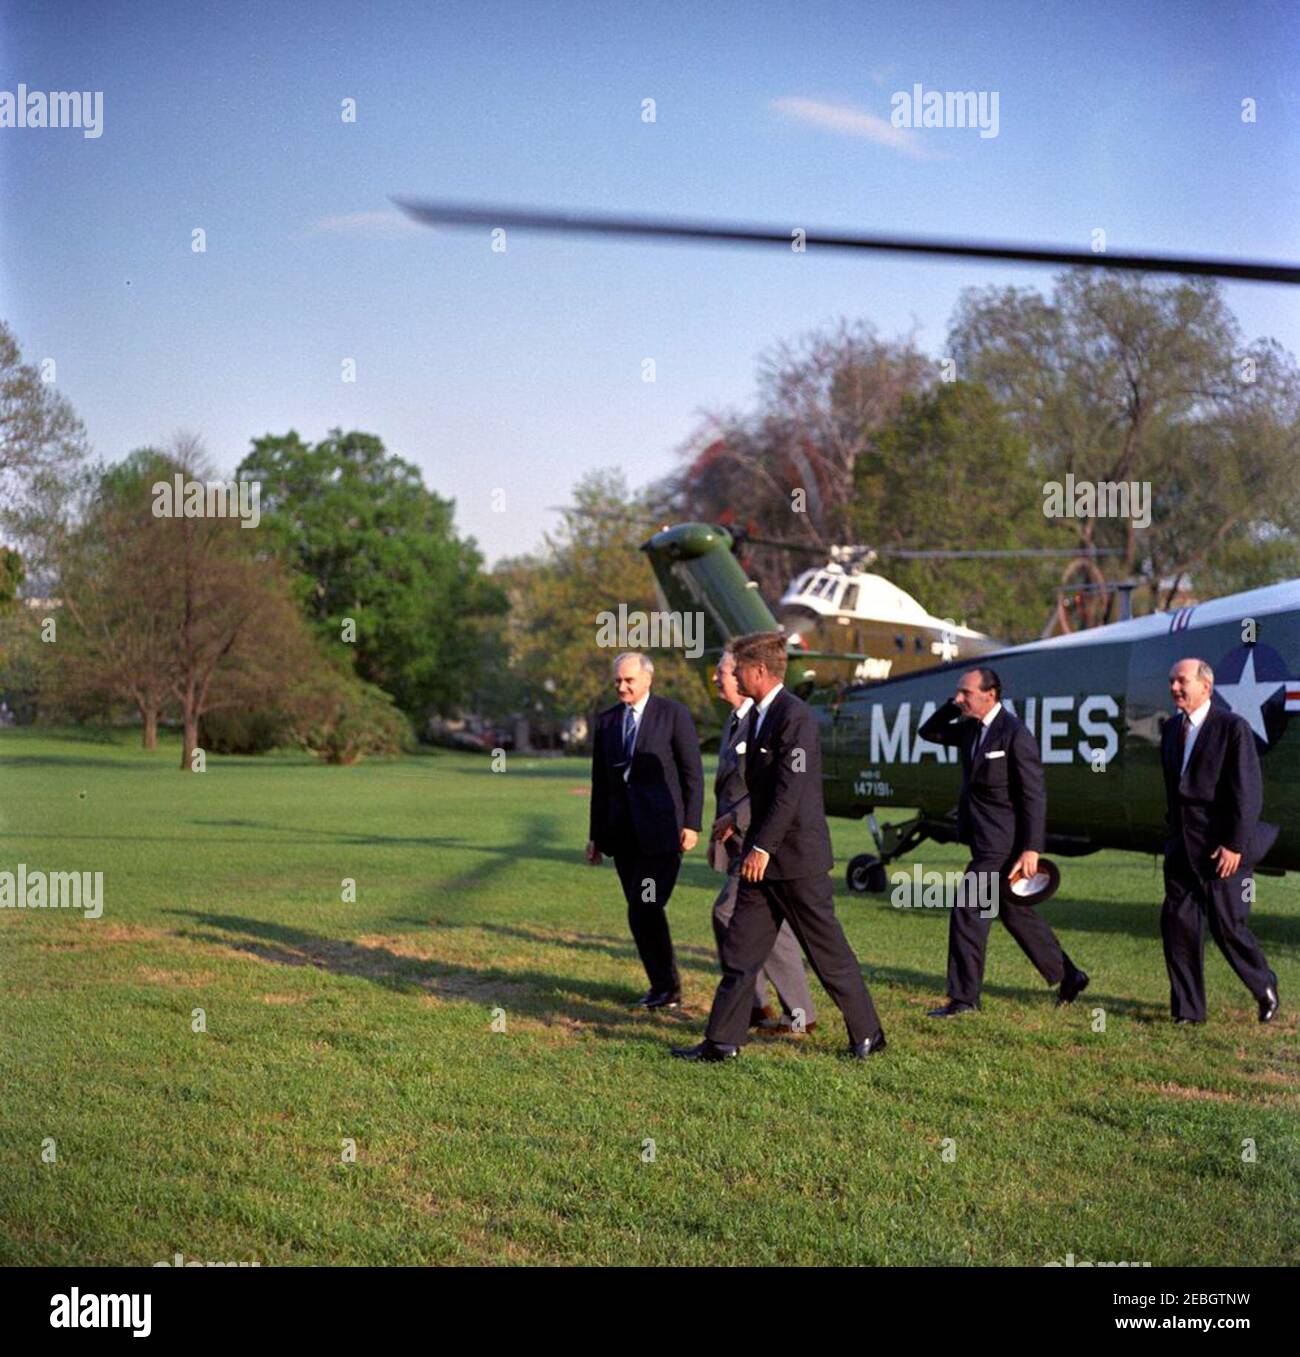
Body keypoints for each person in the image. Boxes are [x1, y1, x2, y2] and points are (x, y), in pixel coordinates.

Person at [672, 632, 886, 1061]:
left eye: (736, 670)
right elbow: (768, 786)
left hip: (795, 862)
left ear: (759, 672)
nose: (731, 676)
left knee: (828, 954)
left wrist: (762, 846)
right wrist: (736, 818)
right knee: (741, 953)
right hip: (761, 864)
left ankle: (868, 1035)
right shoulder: (761, 716)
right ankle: (723, 1041)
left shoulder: (795, 716)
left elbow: (792, 788)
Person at [917, 667, 1088, 1016]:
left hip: (1004, 845)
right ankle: (1069, 975)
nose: (959, 698)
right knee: (1015, 913)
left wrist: (1031, 848)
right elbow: (929, 732)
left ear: (990, 694)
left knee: (968, 911)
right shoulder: (968, 729)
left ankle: (964, 999)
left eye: (966, 693)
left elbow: (1033, 795)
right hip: (982, 839)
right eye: (958, 693)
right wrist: (954, 706)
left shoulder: (1014, 734)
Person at [1160, 658, 1279, 1025]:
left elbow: (1248, 793)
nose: (1175, 688)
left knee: (1228, 927)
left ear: (1205, 686)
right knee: (1178, 927)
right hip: (1182, 848)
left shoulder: (1232, 728)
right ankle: (1188, 1013)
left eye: (1181, 681)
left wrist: (1235, 845)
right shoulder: (1170, 730)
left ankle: (1264, 986)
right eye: (1171, 681)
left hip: (1223, 850)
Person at [709, 649, 817, 1035]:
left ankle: (762, 1007)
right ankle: (788, 1012)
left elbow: (776, 788)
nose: (720, 678)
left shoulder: (770, 720)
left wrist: (739, 822)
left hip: (764, 840)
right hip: (740, 838)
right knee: (768, 926)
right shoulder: (738, 720)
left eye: (725, 671)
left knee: (730, 915)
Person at [587, 651, 703, 1008]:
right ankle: (663, 987)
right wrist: (595, 835)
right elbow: (601, 783)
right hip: (623, 836)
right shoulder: (607, 721)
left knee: (644, 906)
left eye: (629, 680)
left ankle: (666, 988)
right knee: (641, 910)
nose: (622, 687)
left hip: (662, 834)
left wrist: (692, 824)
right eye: (617, 681)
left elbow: (691, 774)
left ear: (647, 680)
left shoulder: (673, 715)